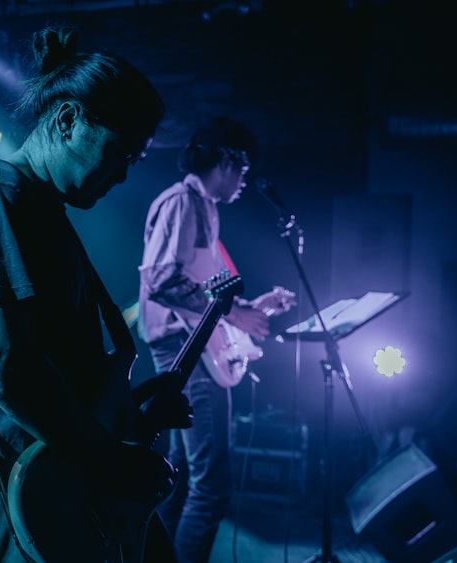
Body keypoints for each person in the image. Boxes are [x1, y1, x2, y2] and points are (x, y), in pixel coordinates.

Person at [0, 24, 190, 563]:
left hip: (61, 485)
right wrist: (108, 458)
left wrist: (131, 407)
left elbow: (52, 372)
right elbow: (1, 363)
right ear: (69, 119)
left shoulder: (43, 210)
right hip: (21, 498)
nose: (122, 176)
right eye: (121, 153)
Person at [138, 116, 292, 562]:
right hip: (182, 349)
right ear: (226, 161)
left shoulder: (205, 207)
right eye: (243, 170)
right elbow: (162, 279)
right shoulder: (182, 201)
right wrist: (237, 312)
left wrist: (252, 306)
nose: (245, 180)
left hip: (193, 341)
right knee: (211, 487)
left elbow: (203, 288)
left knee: (180, 478)